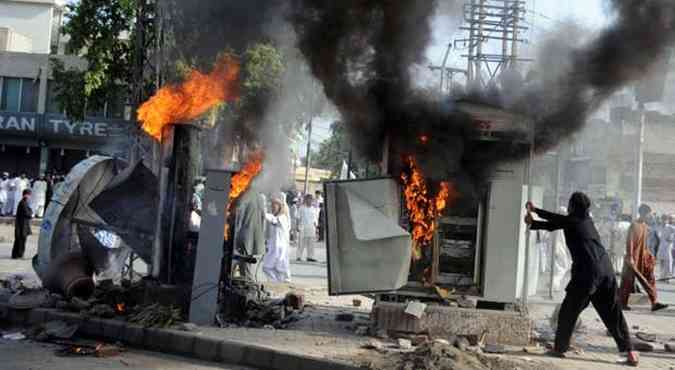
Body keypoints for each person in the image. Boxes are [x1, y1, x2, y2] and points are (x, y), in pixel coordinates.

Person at [524, 193, 639, 366]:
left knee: (568, 311)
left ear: (572, 206)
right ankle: (629, 352)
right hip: (606, 273)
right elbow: (555, 224)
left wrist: (535, 211)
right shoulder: (586, 222)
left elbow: (556, 220)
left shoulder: (573, 221)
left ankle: (559, 349)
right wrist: (534, 223)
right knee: (613, 315)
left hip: (587, 274)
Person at [620, 204, 669, 311]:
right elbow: (630, 243)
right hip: (633, 259)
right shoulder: (634, 225)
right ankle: (622, 303)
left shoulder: (644, 226)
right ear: (643, 213)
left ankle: (654, 302)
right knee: (627, 282)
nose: (650, 216)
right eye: (649, 214)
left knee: (650, 279)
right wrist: (630, 257)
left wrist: (649, 255)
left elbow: (644, 244)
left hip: (643, 257)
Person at [262, 193, 291, 283]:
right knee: (269, 267)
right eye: (272, 205)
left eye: (275, 205)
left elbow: (272, 220)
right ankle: (275, 283)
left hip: (280, 248)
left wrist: (262, 211)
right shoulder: (277, 217)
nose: (273, 207)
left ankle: (278, 283)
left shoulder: (283, 218)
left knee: (273, 267)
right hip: (274, 247)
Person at [297, 194, 319, 262]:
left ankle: (310, 256)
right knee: (301, 243)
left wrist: (316, 229)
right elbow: (298, 218)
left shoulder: (313, 209)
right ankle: (299, 256)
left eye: (311, 199)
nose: (309, 201)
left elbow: (315, 219)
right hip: (303, 227)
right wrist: (297, 226)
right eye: (308, 199)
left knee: (311, 243)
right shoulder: (301, 208)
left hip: (311, 227)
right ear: (305, 200)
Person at [12, 189, 33, 259]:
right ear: (26, 195)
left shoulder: (24, 202)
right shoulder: (23, 203)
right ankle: (19, 255)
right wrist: (31, 213)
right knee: (21, 240)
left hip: (22, 225)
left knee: (20, 240)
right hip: (22, 225)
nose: (30, 197)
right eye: (29, 195)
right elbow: (28, 214)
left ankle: (17, 254)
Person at [657, 215, 674, 280]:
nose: (663, 221)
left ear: (667, 220)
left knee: (668, 261)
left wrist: (671, 239)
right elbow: (658, 235)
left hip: (668, 246)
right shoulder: (659, 227)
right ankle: (662, 276)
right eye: (663, 219)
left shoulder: (670, 227)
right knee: (661, 260)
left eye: (665, 219)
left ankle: (668, 275)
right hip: (661, 246)